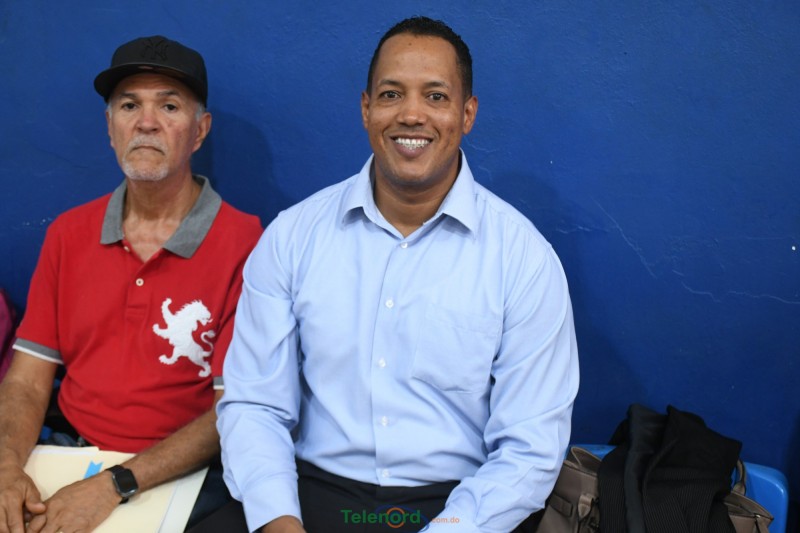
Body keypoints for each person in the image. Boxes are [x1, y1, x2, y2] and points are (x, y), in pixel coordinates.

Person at [217, 16, 579, 533]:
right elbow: (255, 405)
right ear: (366, 109)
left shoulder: (524, 259)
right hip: (309, 497)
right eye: (391, 95)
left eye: (436, 96)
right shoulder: (292, 237)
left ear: (467, 114)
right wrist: (279, 523)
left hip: (462, 508)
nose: (411, 114)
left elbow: (530, 448)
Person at [0, 35, 262, 533]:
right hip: (69, 450)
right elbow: (27, 379)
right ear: (110, 127)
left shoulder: (247, 244)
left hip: (185, 474)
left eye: (169, 106)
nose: (146, 122)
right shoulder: (68, 234)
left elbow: (233, 410)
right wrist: (6, 469)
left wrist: (114, 484)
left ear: (200, 130)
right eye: (129, 105)